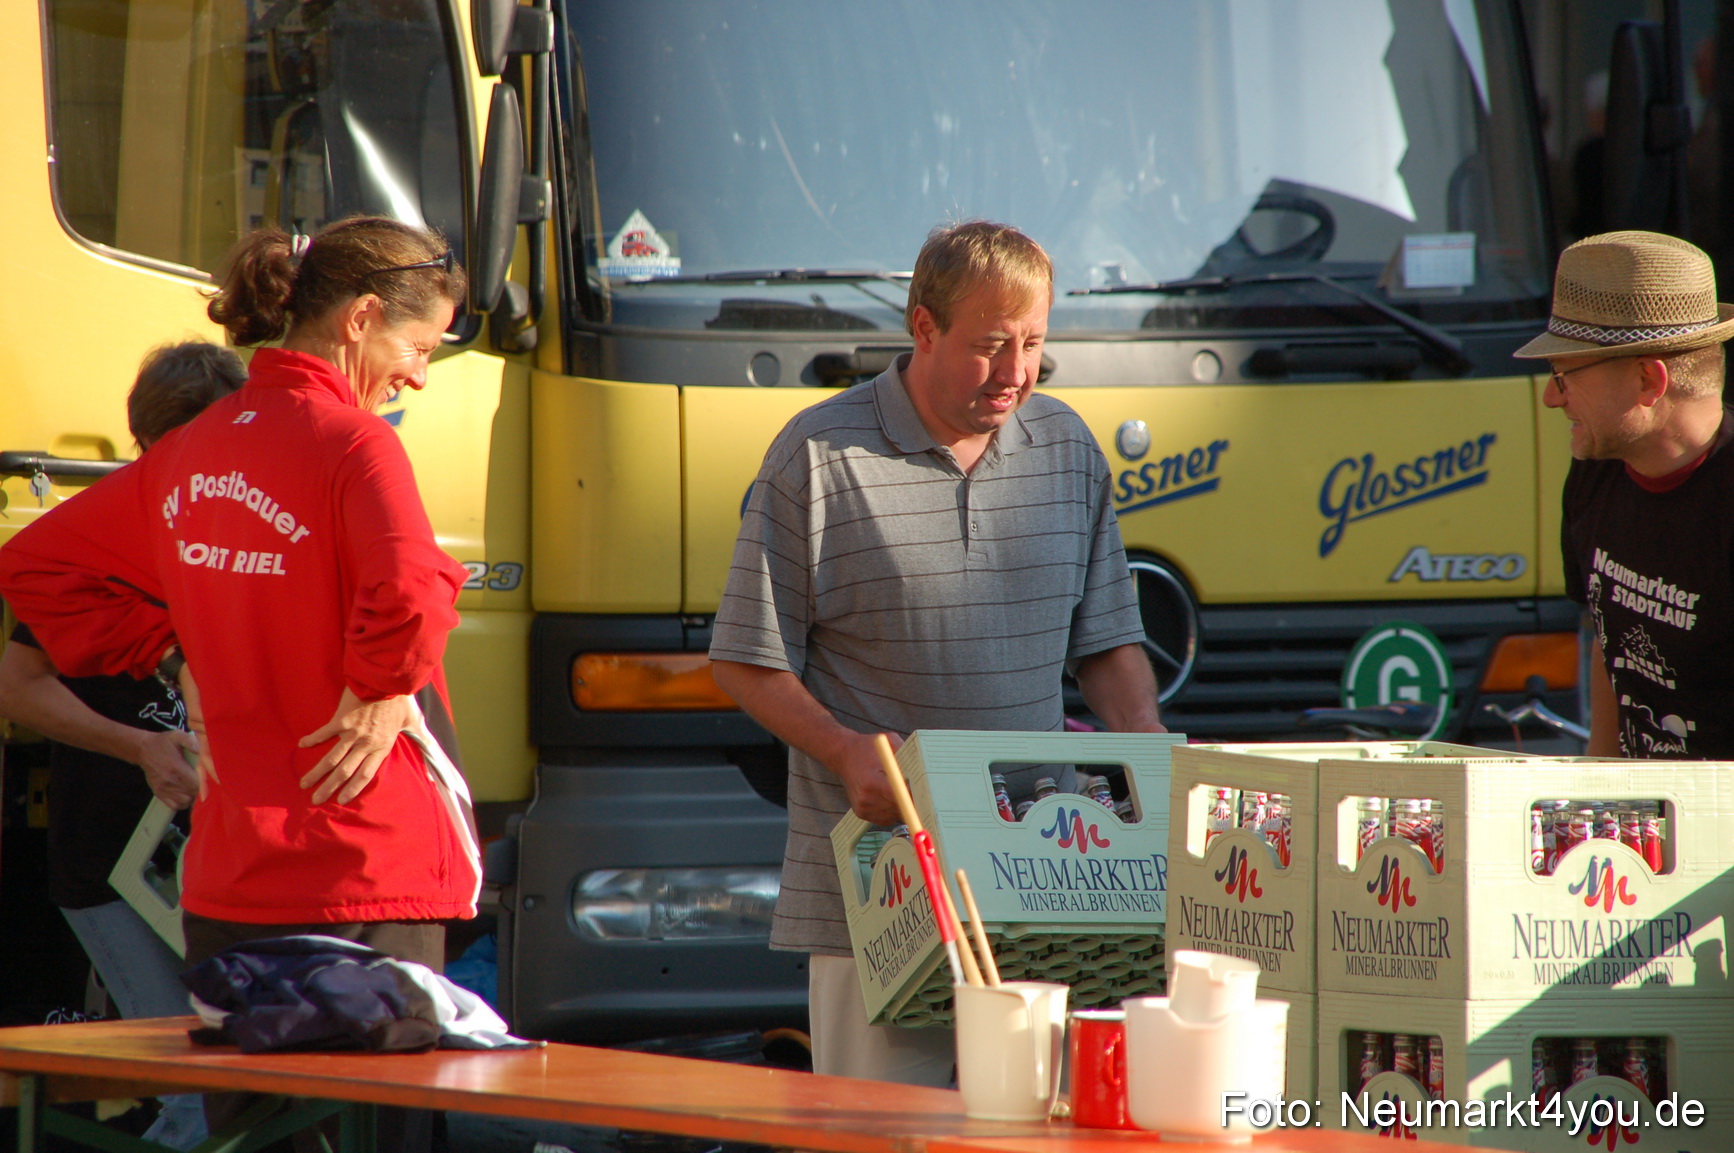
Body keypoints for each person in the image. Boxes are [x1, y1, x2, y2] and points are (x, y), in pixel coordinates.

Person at [0, 216, 477, 1150]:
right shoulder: (355, 444)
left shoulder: (193, 449)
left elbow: (38, 566)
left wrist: (171, 644)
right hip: (368, 869)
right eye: (420, 347)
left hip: (231, 880)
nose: (420, 374)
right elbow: (414, 594)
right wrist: (384, 681)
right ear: (362, 317)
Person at [709, 220, 1163, 1085]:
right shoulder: (814, 458)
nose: (1017, 373)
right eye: (991, 346)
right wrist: (846, 752)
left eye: (1033, 344)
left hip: (1043, 885)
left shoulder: (1067, 449)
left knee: (1036, 1132)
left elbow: (1105, 640)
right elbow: (746, 658)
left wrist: (1143, 737)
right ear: (922, 327)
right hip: (878, 899)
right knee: (882, 1138)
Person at [0, 341, 245, 1151]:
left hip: (226, 866)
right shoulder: (100, 536)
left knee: (239, 1081)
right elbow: (16, 685)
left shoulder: (251, 532)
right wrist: (137, 744)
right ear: (155, 442)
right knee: (192, 1088)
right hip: (112, 863)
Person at [1516, 230, 1734, 759]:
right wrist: (1599, 783)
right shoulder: (1597, 469)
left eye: (1564, 374)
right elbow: (1607, 631)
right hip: (1642, 825)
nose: (1550, 397)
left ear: (1647, 379)